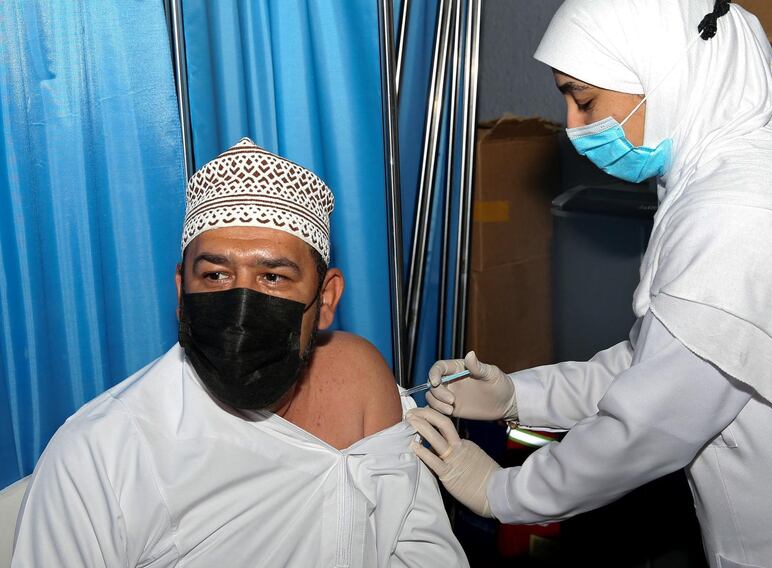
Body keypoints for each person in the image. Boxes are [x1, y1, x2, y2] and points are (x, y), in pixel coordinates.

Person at [406, 0, 772, 566]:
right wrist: (519, 394)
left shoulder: (738, 213)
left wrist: (504, 491)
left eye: (584, 98)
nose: (571, 125)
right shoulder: (752, 167)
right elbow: (659, 361)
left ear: (665, 69)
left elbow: (650, 423)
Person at [12, 138, 468, 567]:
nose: (241, 304)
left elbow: (420, 547)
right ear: (180, 290)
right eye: (215, 275)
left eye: (273, 277)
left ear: (326, 300)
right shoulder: (104, 453)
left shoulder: (359, 378)